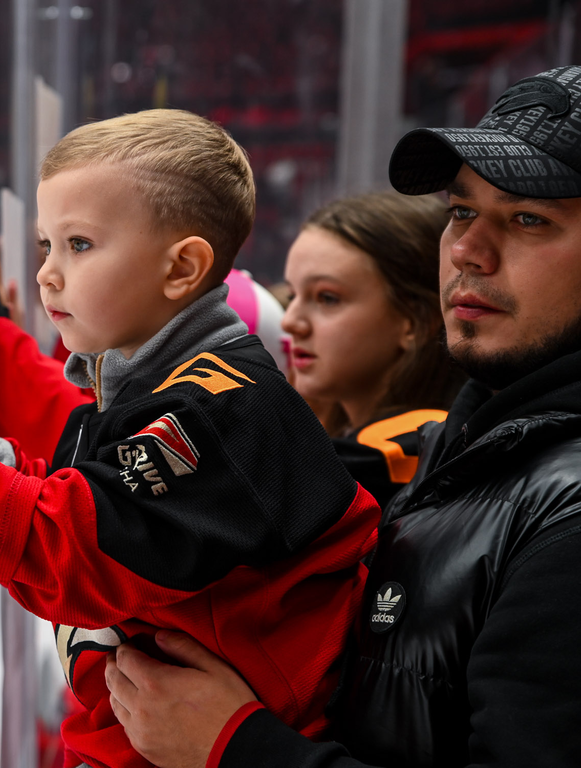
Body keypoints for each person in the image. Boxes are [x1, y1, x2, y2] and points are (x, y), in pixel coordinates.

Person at [104, 64, 581, 768]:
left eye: (528, 218)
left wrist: (238, 747)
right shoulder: (469, 446)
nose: (467, 250)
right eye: (460, 211)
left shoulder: (562, 508)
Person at [0, 109, 381, 768]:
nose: (47, 275)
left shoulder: (217, 408)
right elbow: (103, 495)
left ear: (181, 270)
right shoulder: (166, 390)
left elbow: (90, 548)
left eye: (79, 244)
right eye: (45, 246)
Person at [283, 192, 465, 508]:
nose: (290, 322)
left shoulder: (414, 447)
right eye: (291, 296)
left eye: (327, 298)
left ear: (415, 323)